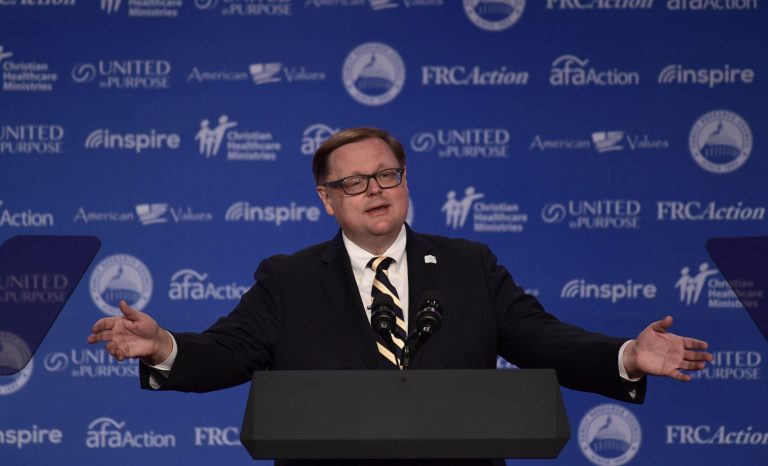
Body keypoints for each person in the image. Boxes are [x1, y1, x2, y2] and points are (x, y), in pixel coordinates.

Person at [88, 127, 712, 463]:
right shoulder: (289, 278)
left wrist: (626, 355)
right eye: (354, 182)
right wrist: (164, 346)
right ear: (327, 200)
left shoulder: (468, 265)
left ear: (405, 182)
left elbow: (541, 339)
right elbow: (228, 352)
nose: (376, 190)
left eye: (387, 174)